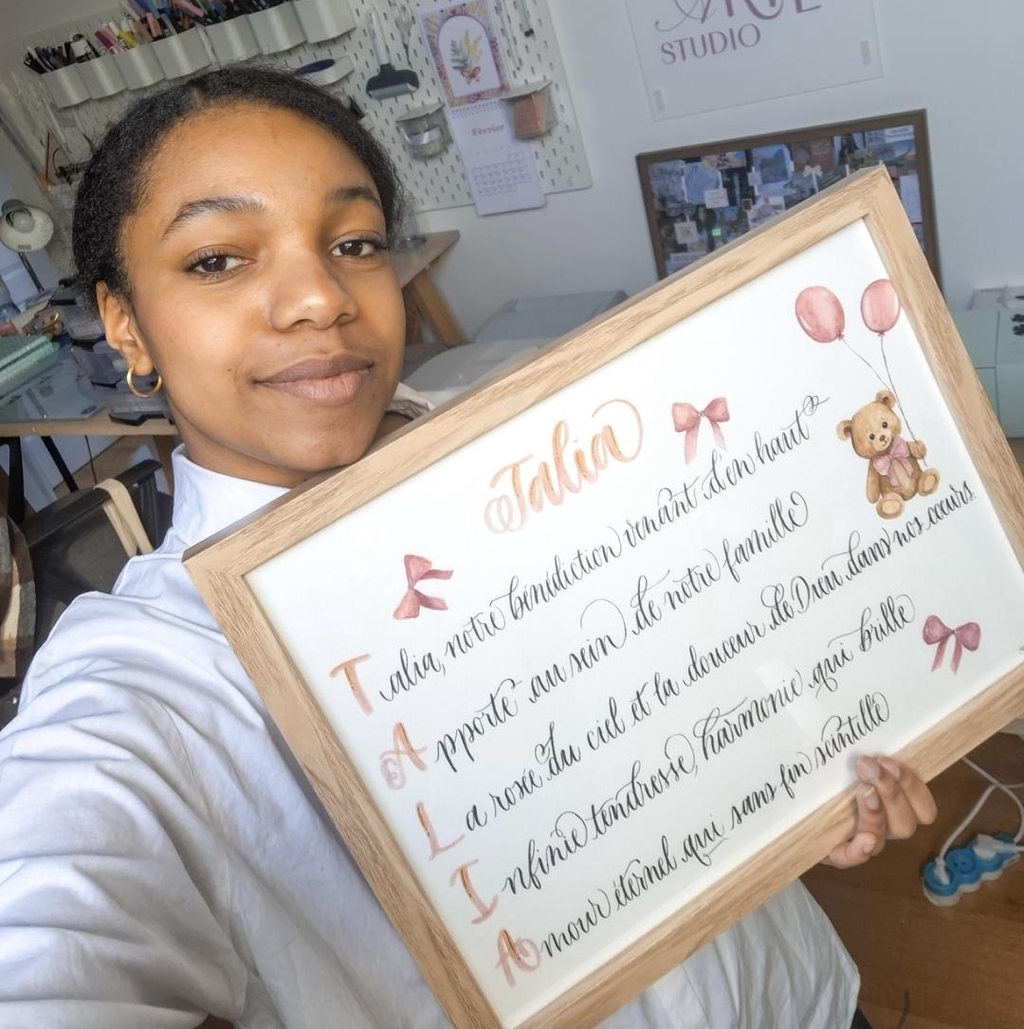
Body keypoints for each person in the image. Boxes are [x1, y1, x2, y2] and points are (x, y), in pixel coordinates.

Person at [0, 68, 937, 1028]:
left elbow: (705, 657)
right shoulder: (145, 678)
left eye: (353, 242)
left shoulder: (551, 442)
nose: (320, 297)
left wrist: (792, 772)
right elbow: (51, 952)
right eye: (217, 260)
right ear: (123, 320)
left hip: (800, 992)